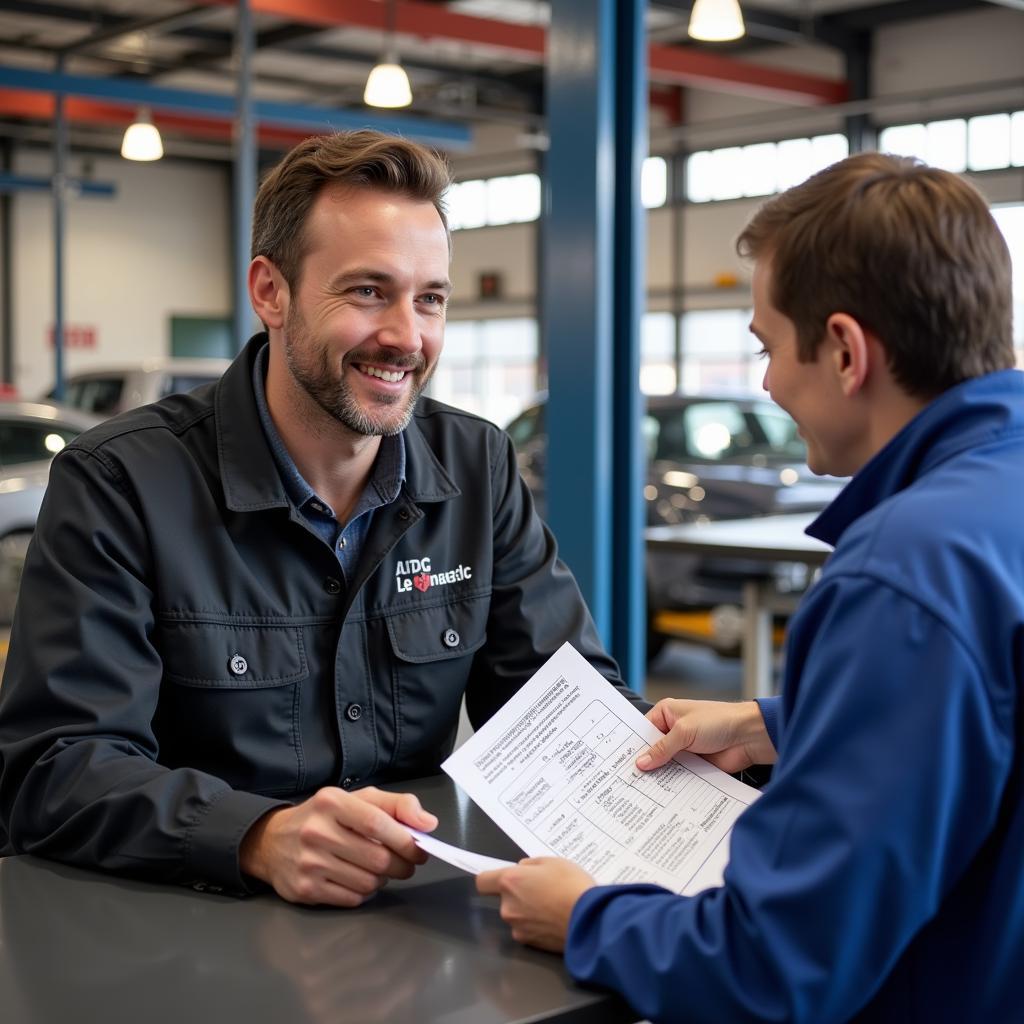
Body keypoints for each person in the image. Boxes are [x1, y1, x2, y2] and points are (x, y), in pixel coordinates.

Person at [0, 130, 643, 906]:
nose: (407, 336)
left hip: (410, 925)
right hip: (187, 933)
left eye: (429, 298)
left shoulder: (476, 469)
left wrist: (747, 742)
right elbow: (53, 766)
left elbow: (567, 715)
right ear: (271, 292)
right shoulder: (122, 484)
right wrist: (255, 835)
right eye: (368, 291)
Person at [478, 152, 1024, 1023]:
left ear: (845, 351)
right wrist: (773, 724)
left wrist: (586, 917)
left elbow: (782, 965)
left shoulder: (906, 573)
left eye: (768, 347)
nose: (768, 383)